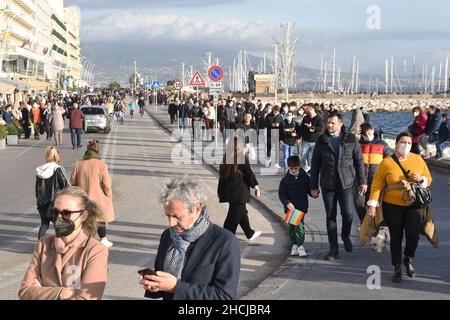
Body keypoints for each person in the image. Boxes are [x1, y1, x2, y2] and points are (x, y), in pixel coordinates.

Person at [140, 176, 240, 300]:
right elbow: (165, 282)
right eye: (168, 216)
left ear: (197, 209)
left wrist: (176, 287)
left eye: (177, 216)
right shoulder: (167, 236)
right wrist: (155, 285)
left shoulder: (225, 241)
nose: (171, 223)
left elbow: (225, 296)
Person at [18, 187, 108, 300]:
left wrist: (41, 291)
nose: (59, 218)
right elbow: (25, 292)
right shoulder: (44, 245)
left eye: (66, 213)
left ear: (83, 216)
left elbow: (87, 298)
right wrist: (62, 292)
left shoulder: (95, 250)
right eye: (55, 212)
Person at [367, 132, 432, 282]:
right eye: (402, 142)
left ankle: (408, 258)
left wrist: (421, 179)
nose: (406, 145)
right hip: (392, 205)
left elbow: (428, 178)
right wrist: (373, 204)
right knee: (396, 237)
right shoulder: (387, 162)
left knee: (413, 236)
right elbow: (377, 184)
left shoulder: (418, 159)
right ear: (396, 144)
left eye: (409, 142)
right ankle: (397, 267)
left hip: (413, 204)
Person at [310, 111, 367, 260]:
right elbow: (315, 165)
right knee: (331, 216)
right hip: (328, 184)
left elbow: (359, 161)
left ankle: (346, 234)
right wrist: (313, 186)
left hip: (346, 183)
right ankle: (333, 248)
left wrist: (362, 181)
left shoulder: (350, 138)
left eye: (332, 123)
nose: (329, 125)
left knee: (348, 214)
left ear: (340, 124)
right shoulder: (321, 141)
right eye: (328, 123)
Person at [70, 140, 115, 248]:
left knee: (84, 219)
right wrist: (108, 196)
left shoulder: (78, 163)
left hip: (83, 197)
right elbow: (107, 185)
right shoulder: (101, 165)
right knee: (101, 217)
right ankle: (103, 238)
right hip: (98, 197)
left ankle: (84, 239)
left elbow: (72, 181)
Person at [218, 138, 262, 241]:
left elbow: (222, 177)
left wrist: (221, 192)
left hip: (230, 192)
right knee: (232, 219)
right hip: (239, 193)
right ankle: (226, 239)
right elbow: (249, 174)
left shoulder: (226, 157)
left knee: (242, 212)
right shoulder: (241, 158)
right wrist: (256, 187)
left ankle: (249, 233)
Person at [355, 123, 392, 223]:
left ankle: (374, 224)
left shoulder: (382, 144)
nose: (368, 135)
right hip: (361, 180)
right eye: (365, 134)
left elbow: (390, 160)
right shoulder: (357, 144)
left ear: (372, 130)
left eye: (369, 132)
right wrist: (354, 137)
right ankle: (364, 223)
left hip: (376, 180)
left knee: (373, 204)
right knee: (359, 203)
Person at [35, 146, 71, 239]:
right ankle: (61, 244)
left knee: (44, 224)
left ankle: (40, 244)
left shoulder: (39, 170)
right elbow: (66, 185)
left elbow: (37, 189)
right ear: (57, 156)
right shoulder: (58, 169)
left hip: (42, 203)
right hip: (55, 203)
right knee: (59, 225)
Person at [278, 155, 311, 257]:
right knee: (292, 227)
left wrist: (313, 192)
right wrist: (287, 203)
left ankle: (300, 245)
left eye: (295, 168)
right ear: (288, 167)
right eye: (291, 168)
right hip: (290, 208)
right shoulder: (285, 180)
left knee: (299, 226)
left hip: (301, 206)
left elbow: (309, 190)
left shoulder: (305, 178)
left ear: (299, 166)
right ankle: (295, 244)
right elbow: (282, 194)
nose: (293, 170)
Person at [299, 103, 324, 172]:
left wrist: (311, 127)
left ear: (312, 109)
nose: (306, 110)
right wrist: (298, 137)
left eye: (308, 109)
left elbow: (321, 128)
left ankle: (312, 169)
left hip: (315, 141)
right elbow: (301, 128)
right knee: (302, 156)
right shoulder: (306, 117)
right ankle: (305, 168)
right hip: (305, 140)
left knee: (311, 157)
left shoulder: (319, 118)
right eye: (306, 109)